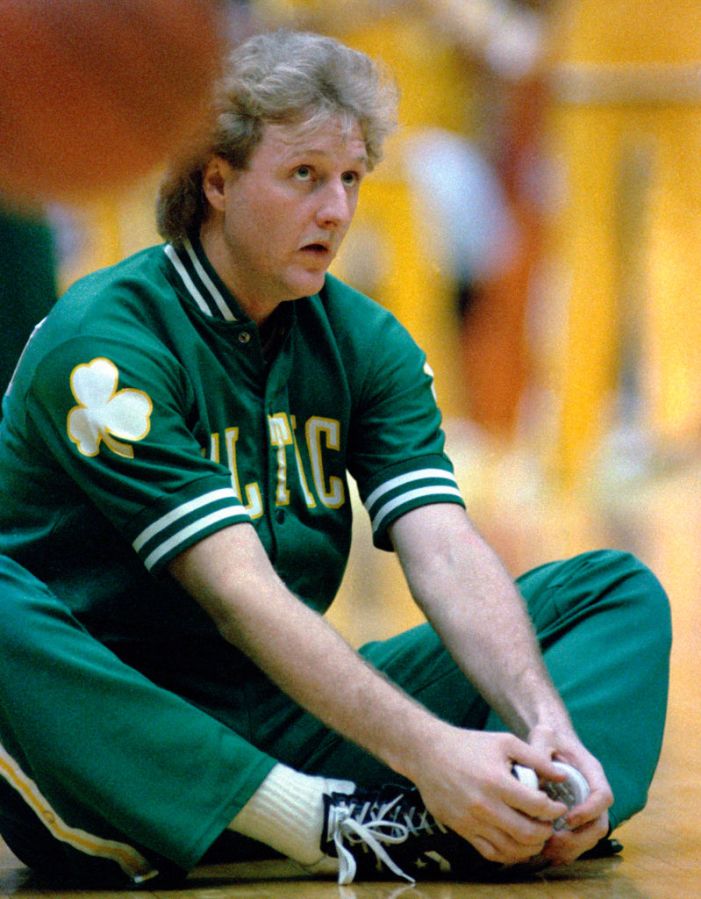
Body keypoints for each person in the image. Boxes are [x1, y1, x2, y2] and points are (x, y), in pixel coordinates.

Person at [0, 29, 670, 888]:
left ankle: (536, 810)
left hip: (284, 710)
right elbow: (238, 596)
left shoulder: (362, 338)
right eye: (305, 176)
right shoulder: (107, 346)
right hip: (117, 736)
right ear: (215, 181)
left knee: (611, 592)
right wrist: (428, 747)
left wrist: (544, 719)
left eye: (351, 178)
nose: (336, 210)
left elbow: (443, 544)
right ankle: (318, 823)